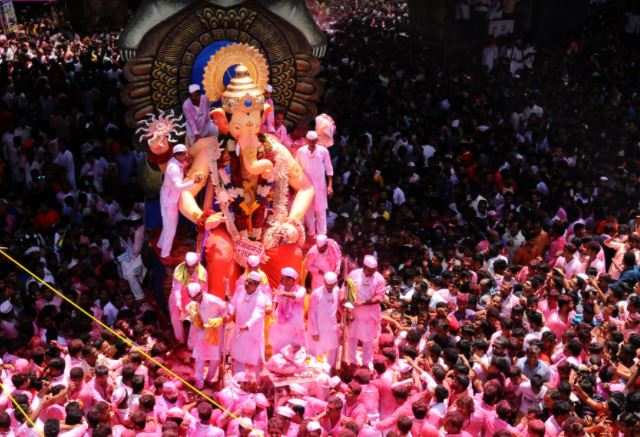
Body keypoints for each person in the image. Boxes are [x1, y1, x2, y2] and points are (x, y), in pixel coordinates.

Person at [157, 144, 200, 258]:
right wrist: (193, 182)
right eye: (182, 154)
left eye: (185, 152)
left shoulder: (176, 162)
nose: (185, 155)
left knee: (167, 225)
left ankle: (161, 245)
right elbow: (178, 186)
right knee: (171, 228)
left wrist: (187, 164)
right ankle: (165, 254)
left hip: (169, 196)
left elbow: (183, 165)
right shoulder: (173, 168)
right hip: (169, 199)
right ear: (176, 155)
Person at [345, 255, 386, 366]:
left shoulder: (380, 279)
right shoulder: (353, 275)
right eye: (370, 270)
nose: (373, 273)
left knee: (368, 341)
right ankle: (352, 362)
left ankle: (366, 364)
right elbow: (349, 295)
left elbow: (379, 297)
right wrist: (349, 312)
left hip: (370, 315)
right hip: (355, 314)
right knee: (352, 338)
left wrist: (364, 303)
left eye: (374, 270)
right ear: (364, 267)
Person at [185, 282, 226, 388]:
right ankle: (199, 382)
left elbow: (226, 311)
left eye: (197, 297)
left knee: (215, 358)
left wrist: (219, 320)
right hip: (201, 331)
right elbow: (188, 310)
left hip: (215, 331)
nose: (195, 299)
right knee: (199, 357)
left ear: (201, 293)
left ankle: (209, 378)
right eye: (193, 298)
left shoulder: (213, 300)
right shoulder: (193, 303)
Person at [295, 130, 334, 238]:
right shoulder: (300, 151)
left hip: (320, 186)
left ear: (317, 140)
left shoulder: (323, 151)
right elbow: (296, 168)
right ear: (307, 140)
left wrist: (330, 185)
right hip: (306, 186)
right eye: (310, 141)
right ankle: (311, 233)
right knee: (308, 211)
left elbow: (329, 169)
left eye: (314, 141)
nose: (312, 143)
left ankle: (322, 235)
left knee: (321, 211)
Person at [229, 271, 269, 374]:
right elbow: (233, 303)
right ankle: (237, 380)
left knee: (253, 359)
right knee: (238, 355)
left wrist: (248, 325)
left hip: (252, 332)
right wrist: (229, 313)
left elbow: (258, 313)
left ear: (256, 285)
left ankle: (254, 383)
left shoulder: (260, 298)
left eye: (250, 283)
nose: (246, 284)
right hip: (240, 329)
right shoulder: (240, 290)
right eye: (246, 281)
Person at [170, 251, 208, 343]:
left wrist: (195, 303)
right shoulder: (179, 269)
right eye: (188, 267)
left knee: (195, 319)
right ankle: (180, 340)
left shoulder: (202, 272)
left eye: (193, 267)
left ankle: (192, 343)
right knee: (176, 316)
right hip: (179, 297)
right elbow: (177, 289)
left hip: (194, 299)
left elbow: (203, 290)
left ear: (197, 264)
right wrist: (178, 302)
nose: (190, 269)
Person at [269, 267, 306, 354]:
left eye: (284, 278)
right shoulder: (281, 288)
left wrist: (284, 293)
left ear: (291, 280)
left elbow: (297, 296)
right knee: (279, 344)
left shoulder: (301, 289)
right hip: (281, 322)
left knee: (293, 347)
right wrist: (273, 314)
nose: (281, 280)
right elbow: (276, 300)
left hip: (294, 324)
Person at [308, 271, 341, 367]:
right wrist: (315, 331)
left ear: (335, 283)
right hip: (319, 328)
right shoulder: (316, 293)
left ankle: (330, 372)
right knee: (319, 353)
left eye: (332, 285)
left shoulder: (337, 291)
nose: (329, 287)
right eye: (327, 285)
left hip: (332, 327)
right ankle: (319, 375)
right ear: (324, 282)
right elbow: (312, 313)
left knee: (332, 351)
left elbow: (338, 306)